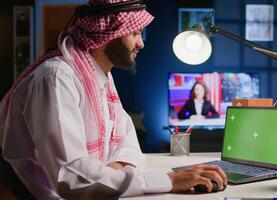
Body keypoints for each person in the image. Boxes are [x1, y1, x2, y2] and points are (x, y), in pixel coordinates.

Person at [0, 0, 227, 199]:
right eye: (135, 33)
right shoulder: (57, 77)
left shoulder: (100, 76)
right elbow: (71, 179)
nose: (141, 43)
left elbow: (128, 142)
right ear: (107, 34)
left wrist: (110, 174)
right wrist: (170, 181)